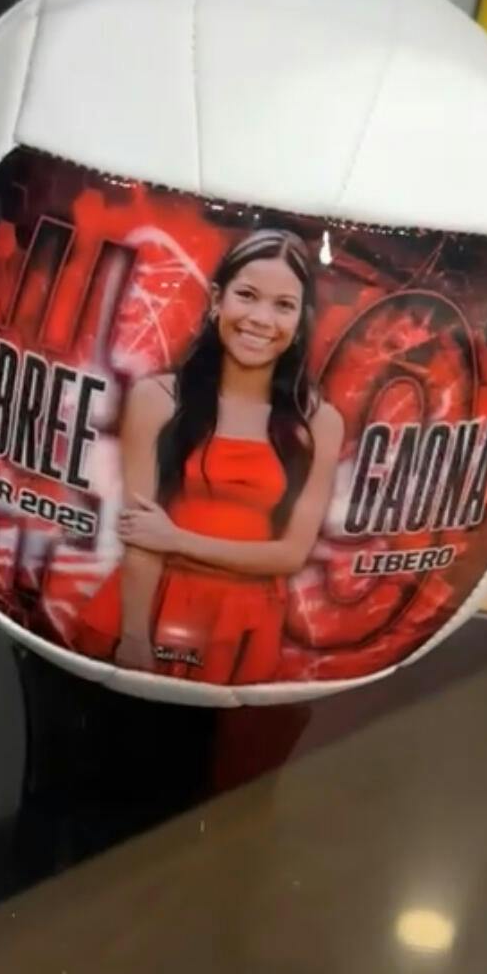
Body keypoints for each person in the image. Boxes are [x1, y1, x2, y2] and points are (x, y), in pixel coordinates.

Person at [116, 229, 344, 684]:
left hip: (246, 624)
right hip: (158, 607)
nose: (261, 319)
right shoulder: (156, 398)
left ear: (300, 321)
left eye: (283, 305)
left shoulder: (320, 423)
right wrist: (134, 635)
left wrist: (176, 540)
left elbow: (290, 555)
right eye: (247, 296)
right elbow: (141, 537)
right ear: (217, 299)